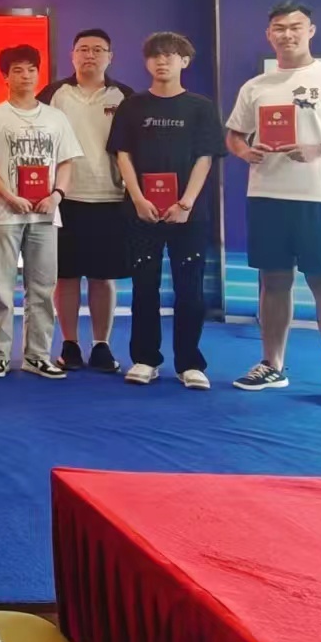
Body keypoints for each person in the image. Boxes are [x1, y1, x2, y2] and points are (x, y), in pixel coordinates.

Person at [224, 1, 321, 409]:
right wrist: (244, 151)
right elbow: (234, 135)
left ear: (310, 30)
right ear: (268, 35)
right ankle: (271, 364)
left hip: (320, 197)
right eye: (279, 27)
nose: (287, 34)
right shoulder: (256, 86)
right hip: (267, 195)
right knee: (273, 282)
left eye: (296, 26)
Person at [108, 33, 225, 389]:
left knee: (190, 290)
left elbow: (205, 157)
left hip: (188, 215)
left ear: (184, 62)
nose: (162, 61)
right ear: (147, 62)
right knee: (145, 287)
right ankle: (145, 359)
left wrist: (185, 203)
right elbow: (122, 154)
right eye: (156, 56)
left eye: (171, 56)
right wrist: (138, 198)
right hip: (141, 212)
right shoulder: (132, 106)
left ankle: (190, 363)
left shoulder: (201, 107)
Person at [0, 45, 82, 379]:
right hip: (5, 214)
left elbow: (66, 161)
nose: (25, 76)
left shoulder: (56, 117)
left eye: (31, 69)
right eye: (18, 70)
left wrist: (57, 195)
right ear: (5, 76)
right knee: (2, 288)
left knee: (42, 287)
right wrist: (9, 196)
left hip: (46, 215)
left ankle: (37, 355)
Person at [39, 29, 131, 373]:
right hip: (64, 197)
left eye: (97, 50)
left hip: (111, 196)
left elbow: (134, 148)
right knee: (65, 276)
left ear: (110, 56)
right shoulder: (53, 94)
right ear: (72, 55)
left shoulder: (125, 96)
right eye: (83, 49)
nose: (90, 55)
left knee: (102, 277)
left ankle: (101, 344)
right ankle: (70, 343)